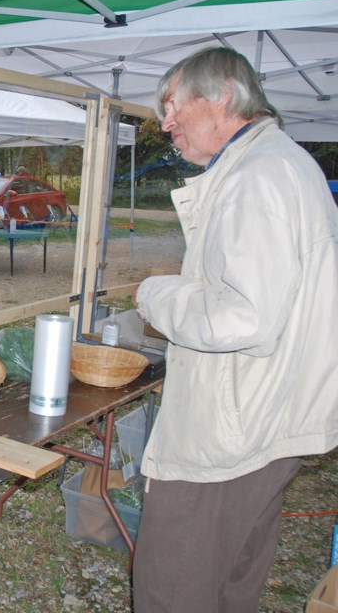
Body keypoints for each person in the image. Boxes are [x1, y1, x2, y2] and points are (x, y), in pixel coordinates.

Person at [132, 47, 338, 612]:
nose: (166, 123)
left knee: (173, 587)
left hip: (231, 433)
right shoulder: (281, 163)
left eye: (173, 105)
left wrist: (157, 293)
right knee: (231, 581)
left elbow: (241, 317)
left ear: (222, 93)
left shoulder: (258, 176)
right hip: (265, 415)